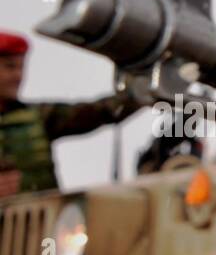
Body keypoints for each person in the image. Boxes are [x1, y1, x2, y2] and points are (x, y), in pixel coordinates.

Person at [0, 31, 141, 197]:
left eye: (21, 67)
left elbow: (99, 112)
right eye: (9, 66)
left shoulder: (38, 116)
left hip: (42, 218)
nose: (18, 76)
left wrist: (139, 91)